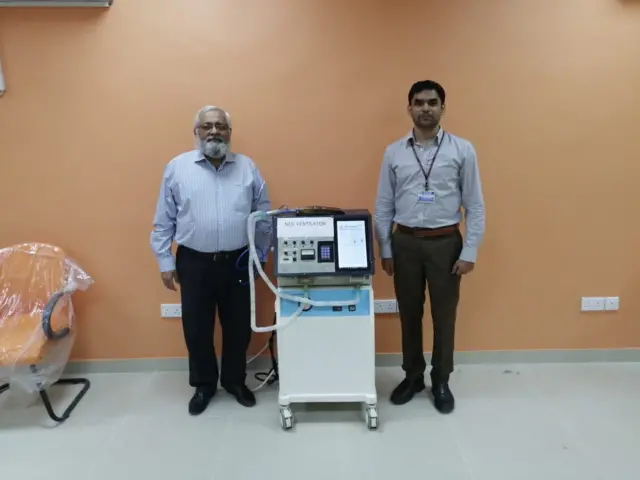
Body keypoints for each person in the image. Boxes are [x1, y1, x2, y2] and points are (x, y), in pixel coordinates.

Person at [150, 105, 272, 415]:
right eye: (207, 126)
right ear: (196, 132)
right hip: (194, 262)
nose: (214, 131)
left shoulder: (248, 168)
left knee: (239, 327)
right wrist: (165, 260)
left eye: (220, 125)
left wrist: (260, 254)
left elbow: (263, 215)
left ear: (230, 133)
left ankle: (234, 381)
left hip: (238, 261)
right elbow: (163, 219)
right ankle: (204, 385)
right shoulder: (177, 168)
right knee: (197, 328)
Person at [373, 80, 485, 414]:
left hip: (446, 244)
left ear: (442, 108)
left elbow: (475, 206)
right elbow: (383, 206)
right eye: (419, 102)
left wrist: (470, 252)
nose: (426, 108)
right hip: (404, 242)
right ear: (409, 108)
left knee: (444, 315)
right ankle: (412, 376)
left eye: (432, 102)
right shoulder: (393, 152)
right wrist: (386, 249)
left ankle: (441, 379)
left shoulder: (462, 150)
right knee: (408, 313)